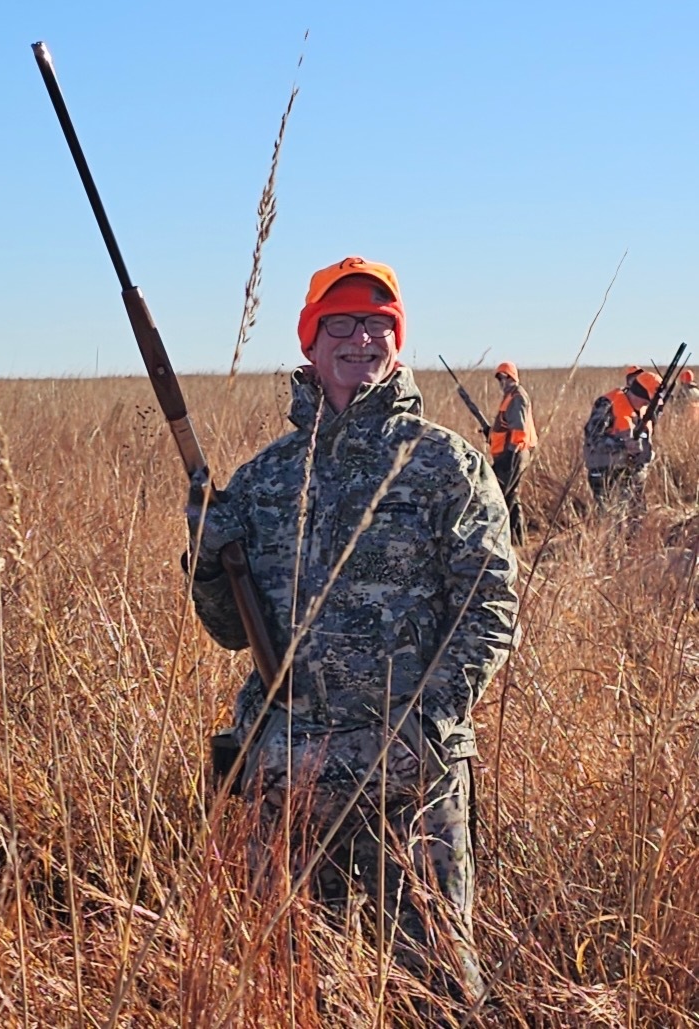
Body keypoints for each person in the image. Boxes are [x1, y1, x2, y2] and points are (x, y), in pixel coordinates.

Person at [185, 256, 520, 1013]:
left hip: (412, 780)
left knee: (436, 988)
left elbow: (492, 608)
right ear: (310, 341)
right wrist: (207, 562)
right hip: (288, 776)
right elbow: (228, 630)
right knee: (286, 981)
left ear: (397, 341)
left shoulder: (447, 465)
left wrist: (425, 728)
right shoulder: (266, 478)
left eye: (378, 323)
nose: (361, 337)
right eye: (341, 322)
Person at [583, 370, 662, 511]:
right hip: (605, 474)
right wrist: (622, 445)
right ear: (639, 393)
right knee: (612, 522)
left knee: (637, 518)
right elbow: (593, 439)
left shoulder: (644, 411)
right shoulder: (607, 404)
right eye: (646, 400)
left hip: (631, 474)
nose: (647, 404)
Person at [487, 362, 537, 546]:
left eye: (505, 377)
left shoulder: (517, 396)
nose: (502, 381)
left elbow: (519, 428)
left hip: (514, 454)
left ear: (513, 377)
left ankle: (508, 540)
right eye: (500, 378)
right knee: (510, 496)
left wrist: (510, 456)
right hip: (511, 453)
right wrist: (490, 432)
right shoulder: (509, 396)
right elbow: (506, 425)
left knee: (502, 495)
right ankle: (517, 540)